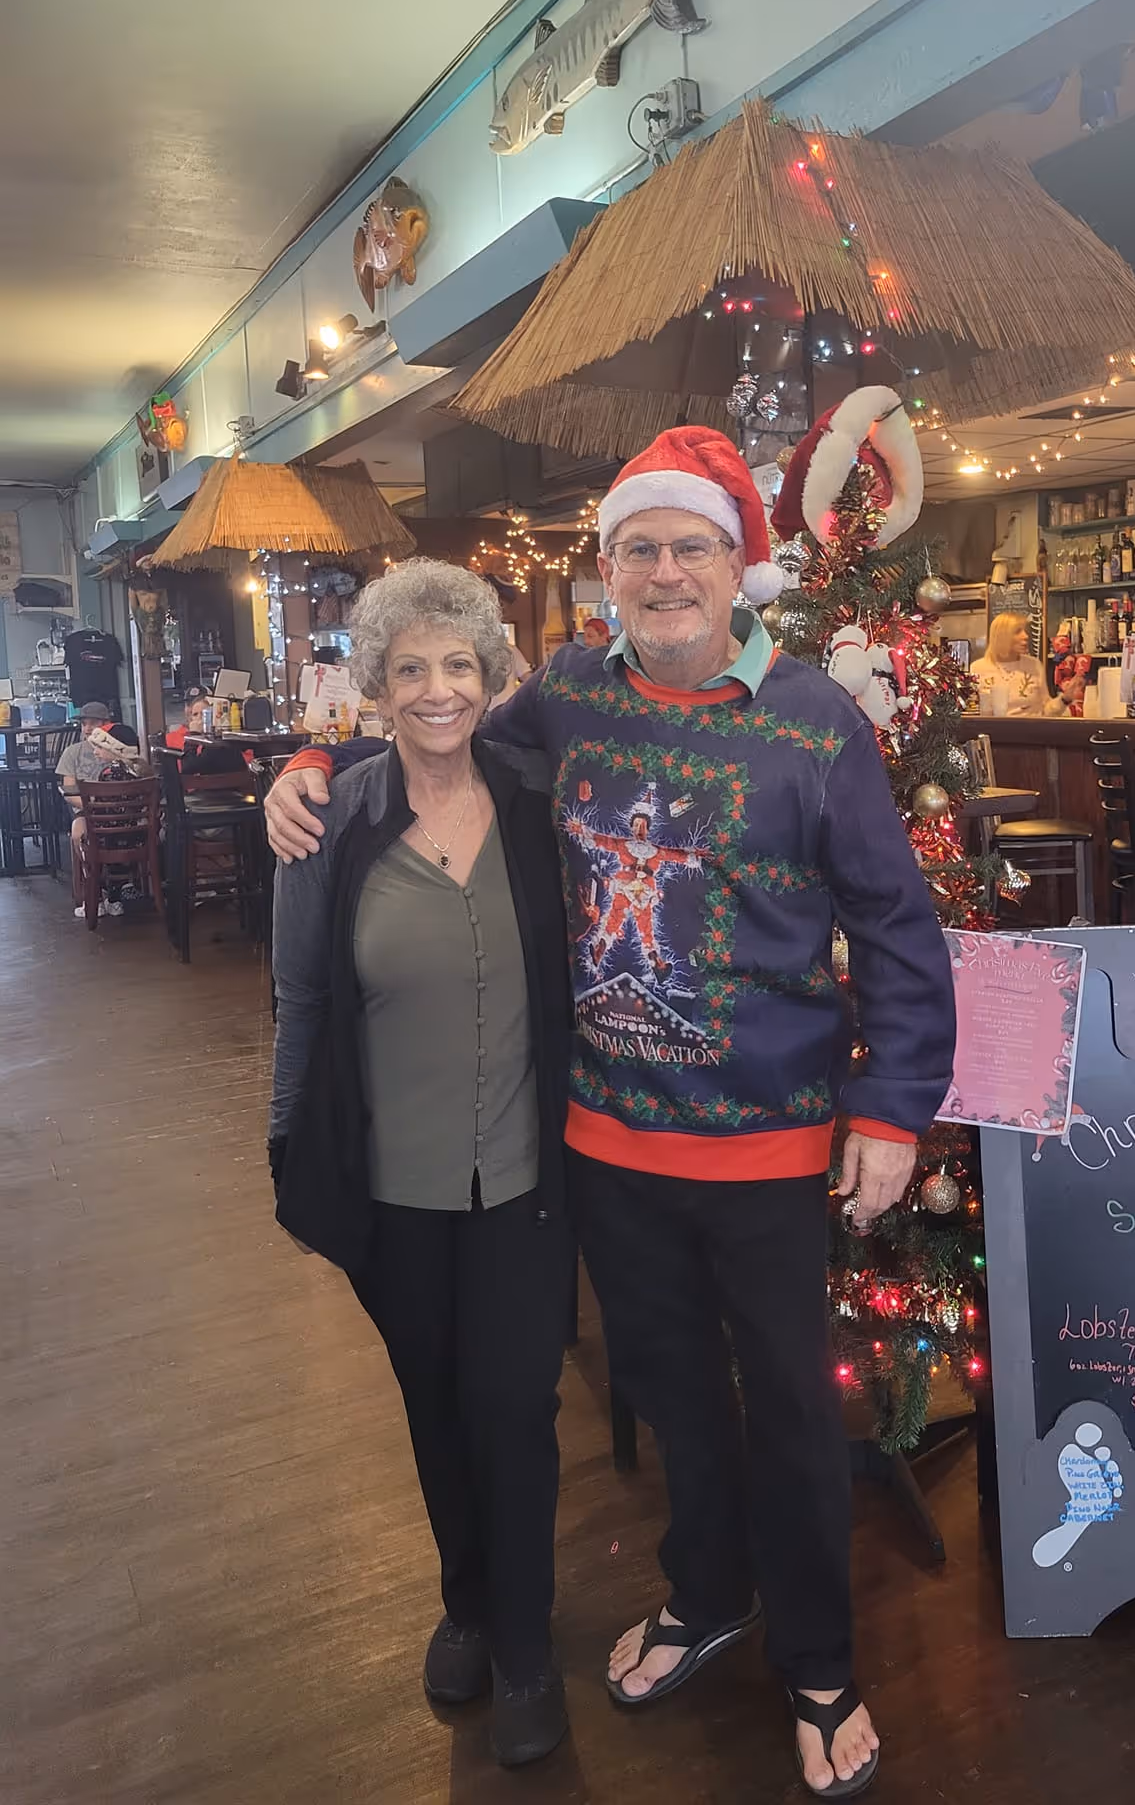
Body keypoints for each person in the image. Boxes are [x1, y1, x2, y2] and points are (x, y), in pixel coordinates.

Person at [264, 426, 957, 1799]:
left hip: (765, 1143)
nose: (662, 572)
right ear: (608, 575)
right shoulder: (571, 694)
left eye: (688, 545)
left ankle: (819, 1664)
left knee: (792, 1416)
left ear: (736, 564)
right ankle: (708, 1597)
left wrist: (890, 1108)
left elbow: (897, 927)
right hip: (607, 1142)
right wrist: (305, 769)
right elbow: (430, 726)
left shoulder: (817, 721)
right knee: (671, 1394)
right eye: (638, 549)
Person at [267, 560, 575, 1769]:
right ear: (377, 689)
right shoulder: (330, 817)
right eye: (412, 669)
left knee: (516, 1404)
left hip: (526, 1177)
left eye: (459, 665)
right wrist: (289, 1150)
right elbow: (298, 998)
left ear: (493, 679)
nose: (438, 690)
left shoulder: (541, 798)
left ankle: (530, 1644)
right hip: (391, 1182)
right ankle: (467, 1600)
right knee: (435, 1407)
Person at [56, 702, 147, 918]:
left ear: (107, 726)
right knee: (81, 832)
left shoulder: (116, 764)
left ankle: (103, 890)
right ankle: (109, 889)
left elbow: (67, 790)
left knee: (96, 842)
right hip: (93, 811)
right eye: (84, 723)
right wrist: (92, 808)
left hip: (113, 819)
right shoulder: (73, 753)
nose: (87, 728)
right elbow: (71, 794)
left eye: (93, 723)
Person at [972, 611, 1074, 716]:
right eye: (1017, 631)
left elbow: (1046, 710)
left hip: (1032, 731)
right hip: (993, 731)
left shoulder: (1034, 665)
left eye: (1025, 631)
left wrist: (1065, 699)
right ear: (1001, 636)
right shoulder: (977, 669)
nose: (1025, 636)